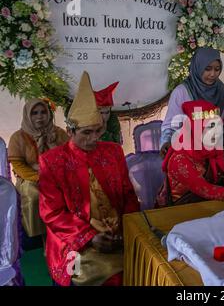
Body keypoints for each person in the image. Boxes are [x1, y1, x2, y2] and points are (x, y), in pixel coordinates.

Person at [39, 71, 140, 286]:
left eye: (98, 131)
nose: (94, 138)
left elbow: (128, 195)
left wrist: (125, 229)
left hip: (118, 235)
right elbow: (52, 213)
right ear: (69, 131)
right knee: (112, 277)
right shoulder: (52, 161)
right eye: (86, 133)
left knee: (149, 265)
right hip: (75, 244)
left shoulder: (112, 151)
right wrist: (89, 237)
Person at [159, 100, 224, 206]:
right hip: (179, 213)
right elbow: (205, 190)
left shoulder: (216, 150)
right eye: (210, 127)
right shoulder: (180, 158)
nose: (216, 132)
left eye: (218, 126)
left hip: (209, 208)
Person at [8, 99, 68, 238]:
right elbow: (18, 165)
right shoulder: (18, 137)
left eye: (43, 112)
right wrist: (39, 177)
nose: (40, 116)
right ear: (27, 115)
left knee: (71, 193)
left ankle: (65, 234)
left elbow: (68, 157)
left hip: (58, 176)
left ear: (49, 114)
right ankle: (36, 237)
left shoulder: (59, 133)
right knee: (34, 196)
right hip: (30, 179)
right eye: (35, 113)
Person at [160, 47, 224, 158]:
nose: (213, 74)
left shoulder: (222, 91)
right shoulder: (182, 92)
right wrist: (165, 143)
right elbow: (170, 125)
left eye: (217, 69)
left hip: (214, 152)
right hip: (186, 152)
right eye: (207, 69)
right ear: (198, 67)